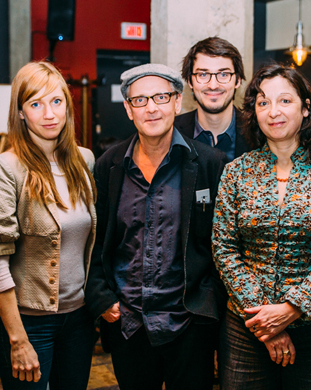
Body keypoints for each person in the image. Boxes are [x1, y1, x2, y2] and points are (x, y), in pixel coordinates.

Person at [212, 63, 311, 389]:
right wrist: (265, 321)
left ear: (306, 108)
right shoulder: (236, 172)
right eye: (263, 102)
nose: (273, 111)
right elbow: (224, 249)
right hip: (247, 328)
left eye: (285, 101)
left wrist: (292, 308)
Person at [86, 64, 228, 390]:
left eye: (161, 97)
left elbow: (222, 245)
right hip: (129, 323)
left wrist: (209, 305)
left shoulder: (210, 163)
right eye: (140, 100)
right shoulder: (109, 165)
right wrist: (102, 299)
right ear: (128, 109)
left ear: (177, 102)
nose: (151, 108)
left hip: (189, 324)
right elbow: (95, 240)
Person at [0, 62, 97, 389]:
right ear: (20, 112)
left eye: (56, 101)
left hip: (79, 319)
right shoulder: (5, 169)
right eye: (35, 104)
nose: (49, 114)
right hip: (27, 323)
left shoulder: (84, 161)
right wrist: (17, 339)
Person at [175, 37, 251, 160]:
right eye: (203, 74)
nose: (213, 85)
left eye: (223, 74)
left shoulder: (257, 132)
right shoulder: (171, 132)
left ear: (237, 80)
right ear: (190, 81)